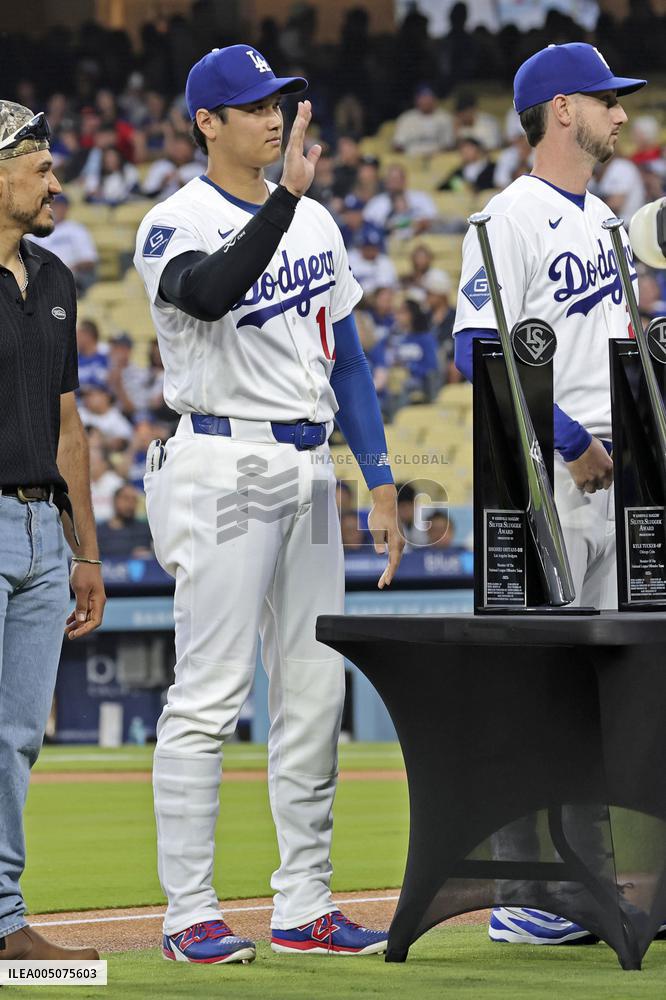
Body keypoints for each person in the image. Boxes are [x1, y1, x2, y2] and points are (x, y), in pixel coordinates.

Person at [133, 44, 404, 966]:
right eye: (253, 106)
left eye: (279, 101)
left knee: (315, 690)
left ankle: (305, 906)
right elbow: (208, 294)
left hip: (311, 463)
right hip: (225, 457)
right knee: (211, 692)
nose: (274, 116)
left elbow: (350, 360)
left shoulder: (316, 220)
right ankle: (188, 914)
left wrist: (380, 479)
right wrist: (283, 200)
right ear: (207, 122)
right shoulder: (174, 220)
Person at [453, 42, 647, 946]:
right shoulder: (508, 217)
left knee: (608, 690)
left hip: (617, 470)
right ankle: (526, 897)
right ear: (562, 109)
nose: (622, 113)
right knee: (541, 684)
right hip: (545, 475)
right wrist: (569, 442)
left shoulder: (607, 219)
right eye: (607, 100)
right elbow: (477, 348)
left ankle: (591, 887)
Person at [0, 101, 105, 960]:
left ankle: (2, 918)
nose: (55, 183)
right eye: (39, 169)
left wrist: (86, 551)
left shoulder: (57, 277)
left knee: (18, 737)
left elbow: (71, 429)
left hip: (43, 529)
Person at [27, 193, 98, 294]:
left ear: (67, 208)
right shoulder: (36, 231)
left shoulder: (77, 229)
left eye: (61, 206)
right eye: (54, 206)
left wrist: (67, 270)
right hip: (41, 278)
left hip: (71, 277)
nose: (57, 209)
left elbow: (89, 260)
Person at [96, 484, 153, 559]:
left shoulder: (145, 530)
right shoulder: (99, 532)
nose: (130, 504)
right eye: (126, 499)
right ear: (115, 500)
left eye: (134, 500)